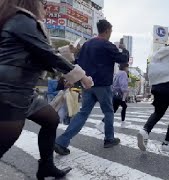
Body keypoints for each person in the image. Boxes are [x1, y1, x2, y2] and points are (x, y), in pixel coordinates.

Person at [0, 0, 94, 179]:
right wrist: (82, 77)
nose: (46, 8)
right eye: (43, 3)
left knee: (51, 119)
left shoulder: (17, 21)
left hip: (24, 91)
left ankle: (46, 166)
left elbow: (43, 52)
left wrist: (67, 51)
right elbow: (48, 54)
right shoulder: (22, 20)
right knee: (4, 140)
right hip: (10, 91)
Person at [55, 19, 129, 155]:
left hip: (87, 83)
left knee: (83, 113)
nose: (110, 34)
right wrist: (124, 49)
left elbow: (77, 62)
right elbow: (123, 60)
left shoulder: (86, 45)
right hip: (103, 85)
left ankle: (62, 141)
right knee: (108, 111)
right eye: (111, 31)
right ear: (107, 30)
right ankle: (109, 138)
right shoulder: (108, 45)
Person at [96, 63, 130, 132]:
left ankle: (122, 122)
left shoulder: (117, 73)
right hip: (119, 95)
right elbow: (123, 85)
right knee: (116, 109)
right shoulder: (123, 73)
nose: (128, 69)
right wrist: (125, 93)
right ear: (125, 67)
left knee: (114, 109)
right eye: (127, 67)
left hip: (114, 94)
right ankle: (102, 124)